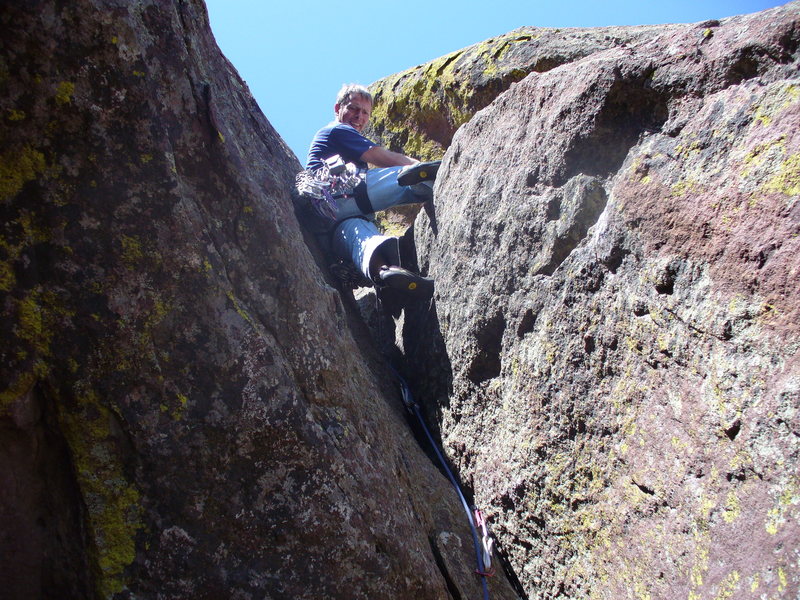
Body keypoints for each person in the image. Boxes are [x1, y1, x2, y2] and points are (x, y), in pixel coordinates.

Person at [302, 83, 440, 298]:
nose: (359, 116)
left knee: (364, 241)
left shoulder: (333, 135)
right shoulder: (337, 130)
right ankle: (428, 175)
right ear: (338, 108)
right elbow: (378, 156)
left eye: (365, 113)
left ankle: (385, 271)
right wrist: (417, 165)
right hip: (341, 191)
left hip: (328, 223)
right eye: (353, 108)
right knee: (404, 178)